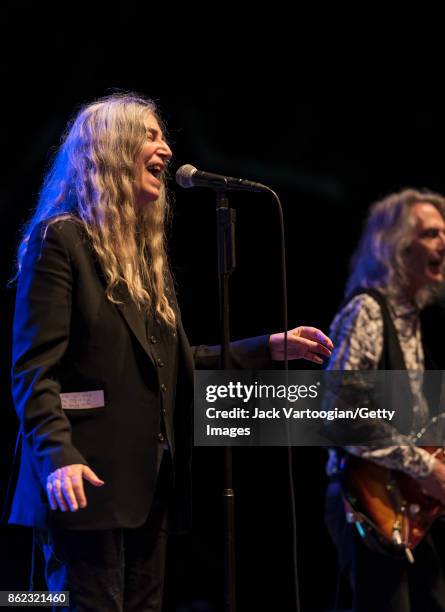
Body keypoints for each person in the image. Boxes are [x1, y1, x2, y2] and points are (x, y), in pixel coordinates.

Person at [8, 93, 333, 611]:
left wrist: (269, 347)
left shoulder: (142, 263)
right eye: (151, 135)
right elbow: (33, 368)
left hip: (147, 486)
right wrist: (58, 458)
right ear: (110, 149)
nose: (165, 148)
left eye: (164, 137)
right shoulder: (61, 241)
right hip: (83, 480)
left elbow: (177, 365)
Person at [324, 188, 445, 612]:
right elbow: (340, 416)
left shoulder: (410, 322)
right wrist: (425, 466)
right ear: (395, 246)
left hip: (408, 511)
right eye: (431, 234)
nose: (443, 243)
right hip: (369, 504)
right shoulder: (368, 312)